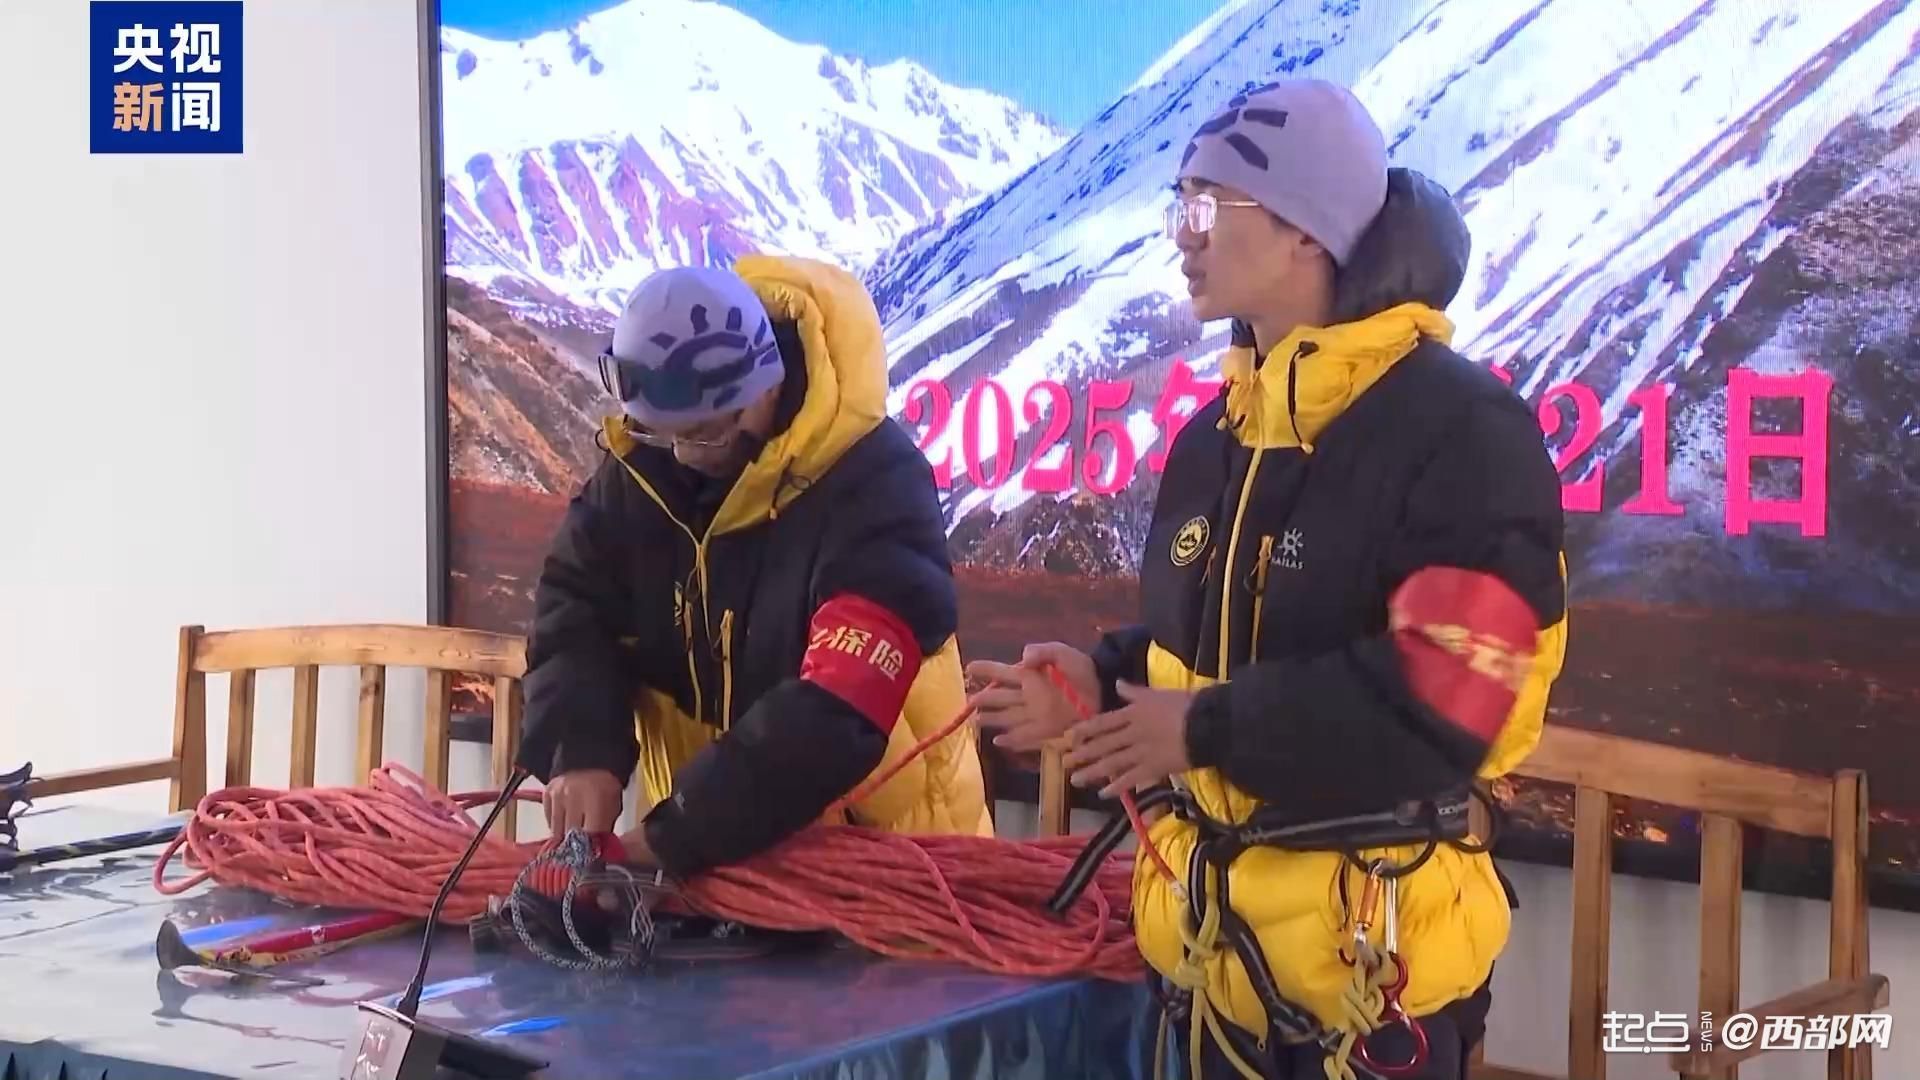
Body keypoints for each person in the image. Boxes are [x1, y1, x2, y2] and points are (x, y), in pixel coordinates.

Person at [969, 79, 1568, 1079]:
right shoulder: (1219, 436)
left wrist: (1205, 730)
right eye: (1179, 208)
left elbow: (1457, 697)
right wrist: (1099, 682)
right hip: (1211, 969)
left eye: (1206, 208)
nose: (1182, 239)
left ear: (1304, 230)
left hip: (1371, 990)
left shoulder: (1462, 429)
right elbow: (1217, 647)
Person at [518, 255, 992, 883]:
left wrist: (676, 837)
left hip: (893, 864)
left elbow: (834, 711)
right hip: (709, 862)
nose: (682, 455)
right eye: (663, 434)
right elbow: (575, 603)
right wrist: (579, 746)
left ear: (766, 387)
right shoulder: (647, 462)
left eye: (703, 434)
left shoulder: (876, 484)